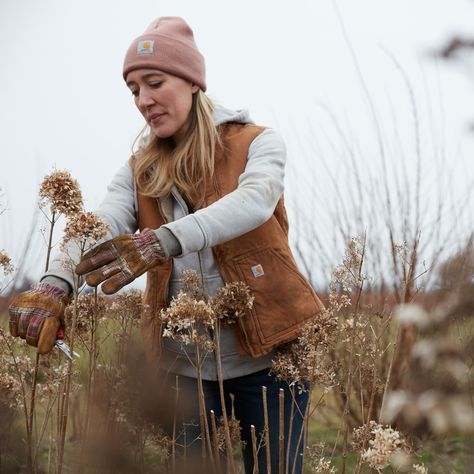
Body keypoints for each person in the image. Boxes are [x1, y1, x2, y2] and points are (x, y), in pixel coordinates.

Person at [9, 16, 324, 473]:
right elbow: (102, 220)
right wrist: (56, 281)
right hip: (183, 372)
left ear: (193, 82)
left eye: (154, 82)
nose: (143, 100)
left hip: (271, 362)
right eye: (133, 89)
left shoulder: (257, 142)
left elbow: (254, 201)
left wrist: (163, 240)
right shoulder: (141, 169)